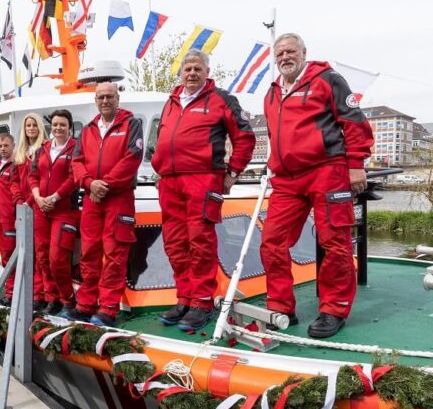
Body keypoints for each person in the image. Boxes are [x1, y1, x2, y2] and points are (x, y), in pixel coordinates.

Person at [260, 33, 374, 338]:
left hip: (327, 170)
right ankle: (281, 306)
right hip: (286, 180)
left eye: (291, 51)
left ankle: (333, 308)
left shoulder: (328, 80)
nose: (285, 57)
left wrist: (355, 165)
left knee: (334, 242)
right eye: (280, 52)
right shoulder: (271, 94)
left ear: (304, 53)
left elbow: (354, 122)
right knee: (272, 240)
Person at [151, 49, 256, 331]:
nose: (192, 74)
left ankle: (201, 301)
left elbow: (245, 137)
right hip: (170, 181)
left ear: (207, 72)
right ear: (181, 73)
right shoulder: (172, 101)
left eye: (198, 69)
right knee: (174, 243)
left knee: (200, 241)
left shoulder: (221, 100)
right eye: (188, 69)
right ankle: (184, 297)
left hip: (202, 178)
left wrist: (232, 172)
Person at [67, 82, 143, 326]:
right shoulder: (88, 130)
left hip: (118, 199)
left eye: (110, 96)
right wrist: (90, 184)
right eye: (101, 97)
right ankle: (86, 303)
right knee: (89, 253)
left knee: (114, 254)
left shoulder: (132, 125)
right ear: (95, 101)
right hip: (92, 199)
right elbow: (76, 162)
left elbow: (132, 159)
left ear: (118, 98)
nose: (105, 101)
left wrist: (104, 185)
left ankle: (108, 308)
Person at [29, 109, 81, 315]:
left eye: (63, 125)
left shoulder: (76, 148)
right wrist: (38, 197)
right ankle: (52, 298)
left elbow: (73, 178)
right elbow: (33, 175)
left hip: (64, 210)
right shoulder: (43, 149)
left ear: (70, 127)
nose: (58, 128)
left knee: (57, 258)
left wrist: (55, 197)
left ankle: (68, 298)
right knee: (42, 256)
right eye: (56, 124)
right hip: (41, 209)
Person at [12, 112, 48, 308]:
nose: (31, 129)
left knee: (41, 253)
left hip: (37, 206)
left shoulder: (43, 150)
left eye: (34, 125)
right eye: (28, 126)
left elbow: (42, 180)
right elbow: (15, 180)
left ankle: (41, 294)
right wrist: (19, 200)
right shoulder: (20, 153)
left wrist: (28, 201)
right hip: (24, 209)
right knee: (28, 253)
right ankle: (33, 292)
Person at [0, 133, 22, 307]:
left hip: (11, 218)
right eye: (0, 146)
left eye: (6, 146)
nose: (3, 149)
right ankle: (11, 289)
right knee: (5, 255)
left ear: (13, 145)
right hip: (1, 217)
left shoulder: (16, 166)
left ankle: (12, 293)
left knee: (11, 256)